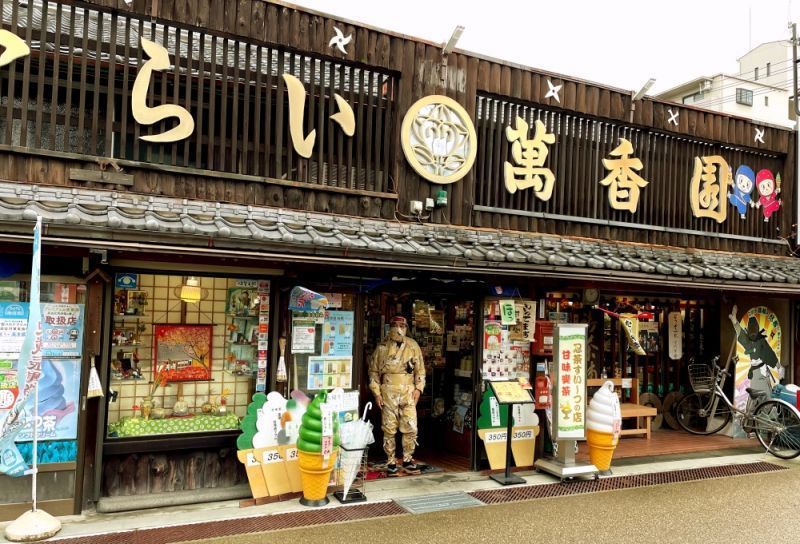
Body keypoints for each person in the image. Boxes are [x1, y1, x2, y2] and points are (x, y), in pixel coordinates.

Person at [368, 316, 425, 475]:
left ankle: (407, 459)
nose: (399, 329)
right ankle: (391, 460)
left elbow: (420, 370)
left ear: (406, 327)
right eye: (395, 325)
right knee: (389, 428)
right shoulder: (382, 347)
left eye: (402, 325)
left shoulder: (412, 346)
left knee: (411, 426)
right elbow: (373, 372)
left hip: (408, 391)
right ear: (390, 327)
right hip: (388, 391)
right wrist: (377, 393)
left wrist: (418, 388)